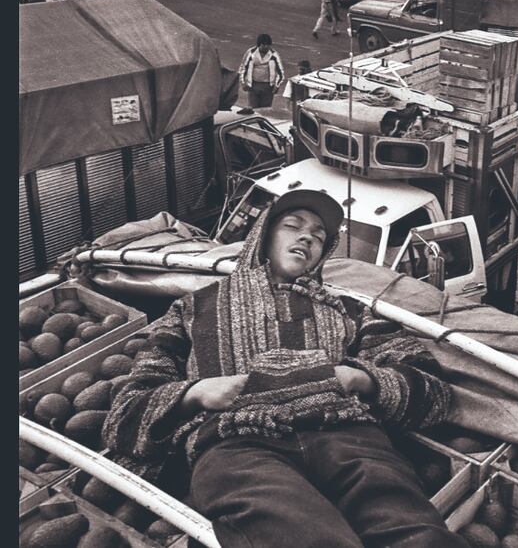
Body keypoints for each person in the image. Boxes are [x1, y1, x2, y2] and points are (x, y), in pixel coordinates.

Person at [103, 189, 467, 548]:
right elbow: (125, 415)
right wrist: (196, 393)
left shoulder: (350, 311)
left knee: (414, 529)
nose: (307, 236)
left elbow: (433, 392)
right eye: (293, 225)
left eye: (319, 235)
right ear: (263, 233)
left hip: (346, 434)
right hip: (237, 441)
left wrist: (363, 379)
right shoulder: (192, 309)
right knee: (291, 532)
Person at [237, 33, 285, 114]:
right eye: (264, 45)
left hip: (268, 87)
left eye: (268, 45)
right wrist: (243, 82)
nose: (266, 47)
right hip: (253, 86)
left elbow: (281, 72)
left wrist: (277, 85)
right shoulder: (251, 53)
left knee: (265, 110)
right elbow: (243, 68)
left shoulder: (274, 55)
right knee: (252, 109)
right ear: (259, 45)